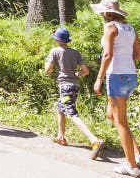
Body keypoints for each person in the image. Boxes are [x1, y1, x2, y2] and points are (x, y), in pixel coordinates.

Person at [91, 0, 140, 176]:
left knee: (120, 121)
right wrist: (124, 61)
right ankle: (138, 156)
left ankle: (131, 166)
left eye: (101, 11)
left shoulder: (110, 27)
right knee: (113, 116)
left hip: (115, 77)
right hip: (130, 76)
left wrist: (98, 79)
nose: (100, 14)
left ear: (106, 13)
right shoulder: (129, 28)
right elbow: (139, 55)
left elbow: (107, 55)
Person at [44, 27, 104, 157]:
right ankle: (61, 137)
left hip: (65, 86)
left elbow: (47, 69)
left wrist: (52, 64)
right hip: (74, 85)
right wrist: (76, 73)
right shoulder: (75, 52)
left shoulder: (54, 51)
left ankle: (94, 140)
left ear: (57, 40)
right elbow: (86, 71)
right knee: (60, 107)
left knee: (71, 113)